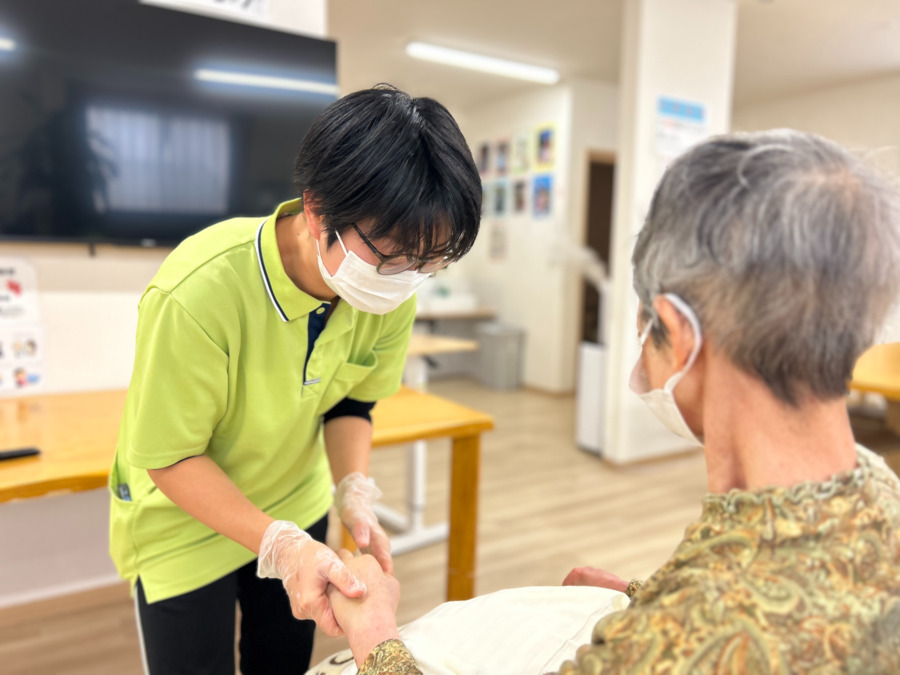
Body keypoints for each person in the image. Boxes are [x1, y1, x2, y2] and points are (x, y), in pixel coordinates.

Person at [318, 129, 900, 674]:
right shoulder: (877, 488)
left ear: (680, 332)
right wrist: (642, 596)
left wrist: (374, 632)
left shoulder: (685, 637)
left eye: (645, 321)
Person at [107, 84, 481, 674]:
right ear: (316, 209)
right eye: (390, 254)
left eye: (427, 262)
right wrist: (277, 544)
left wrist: (352, 490)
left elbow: (351, 405)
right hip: (181, 521)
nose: (406, 277)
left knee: (280, 663)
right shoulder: (198, 291)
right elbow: (169, 456)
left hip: (294, 500)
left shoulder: (391, 292)